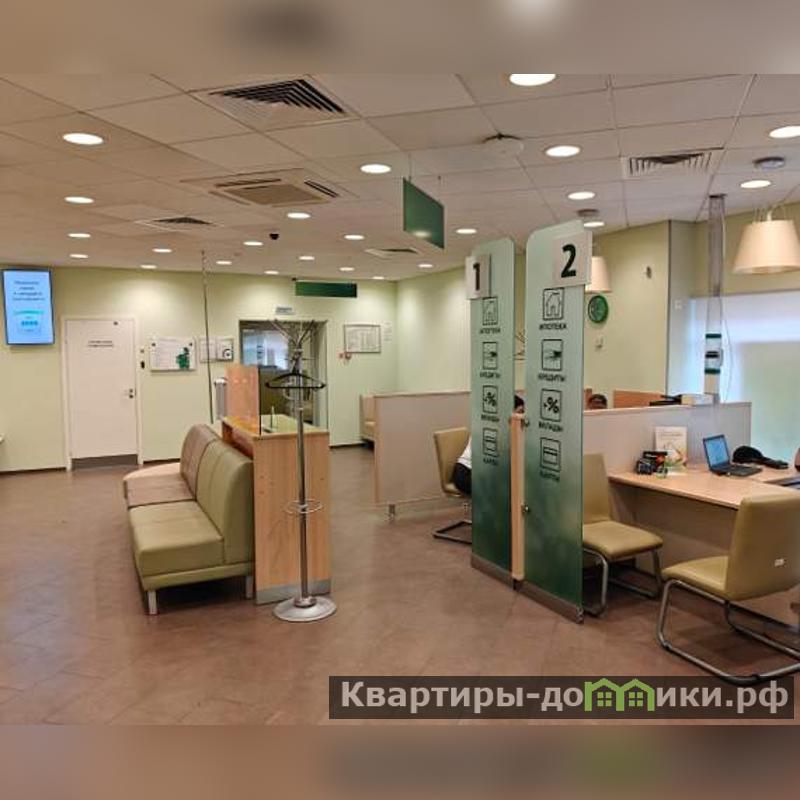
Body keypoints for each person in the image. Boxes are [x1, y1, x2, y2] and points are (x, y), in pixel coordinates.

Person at [452, 395, 525, 496]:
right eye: (519, 412)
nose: (521, 417)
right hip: (467, 473)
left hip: (483, 473)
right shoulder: (489, 428)